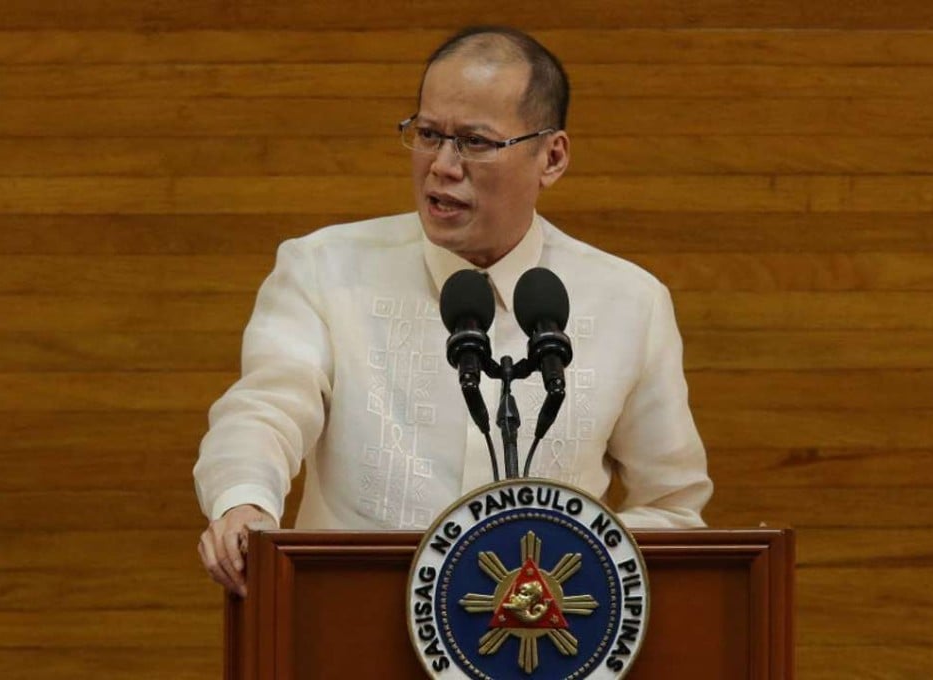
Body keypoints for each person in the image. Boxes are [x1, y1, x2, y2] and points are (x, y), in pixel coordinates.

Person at [195, 26, 713, 596]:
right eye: (428, 134)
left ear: (552, 157)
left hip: (541, 631)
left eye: (474, 141)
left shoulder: (630, 303)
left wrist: (570, 577)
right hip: (349, 617)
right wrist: (244, 501)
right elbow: (266, 408)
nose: (442, 165)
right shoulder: (324, 269)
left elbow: (671, 506)